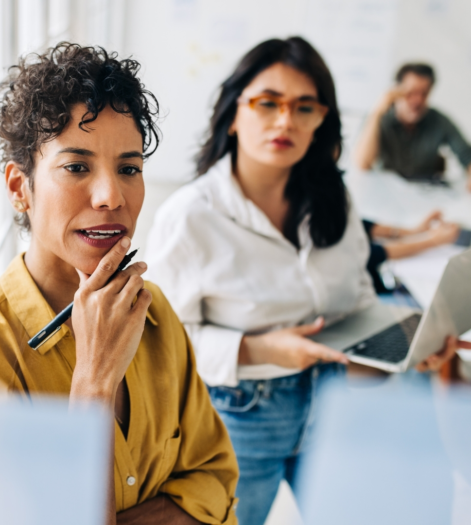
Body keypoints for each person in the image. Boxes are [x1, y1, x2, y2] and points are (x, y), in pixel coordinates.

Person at [145, 37, 466, 525]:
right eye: (267, 103)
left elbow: (356, 305)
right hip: (235, 419)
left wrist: (409, 350)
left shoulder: (332, 199)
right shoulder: (190, 217)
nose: (285, 121)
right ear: (235, 114)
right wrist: (262, 350)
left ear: (321, 121)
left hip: (333, 405)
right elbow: (159, 349)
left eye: (304, 107)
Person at [0, 43, 239, 525]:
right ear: (18, 188)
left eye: (129, 168)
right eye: (76, 167)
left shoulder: (155, 314)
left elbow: (217, 479)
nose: (112, 196)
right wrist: (93, 382)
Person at [354, 62, 471, 190]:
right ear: (396, 91)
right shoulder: (379, 118)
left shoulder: (438, 120)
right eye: (411, 92)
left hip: (424, 194)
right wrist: (377, 112)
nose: (418, 100)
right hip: (386, 193)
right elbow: (362, 164)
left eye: (424, 94)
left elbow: (466, 155)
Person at [363, 211, 460, 294]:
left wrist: (412, 232)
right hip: (372, 285)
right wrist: (434, 241)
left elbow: (359, 225)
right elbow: (371, 254)